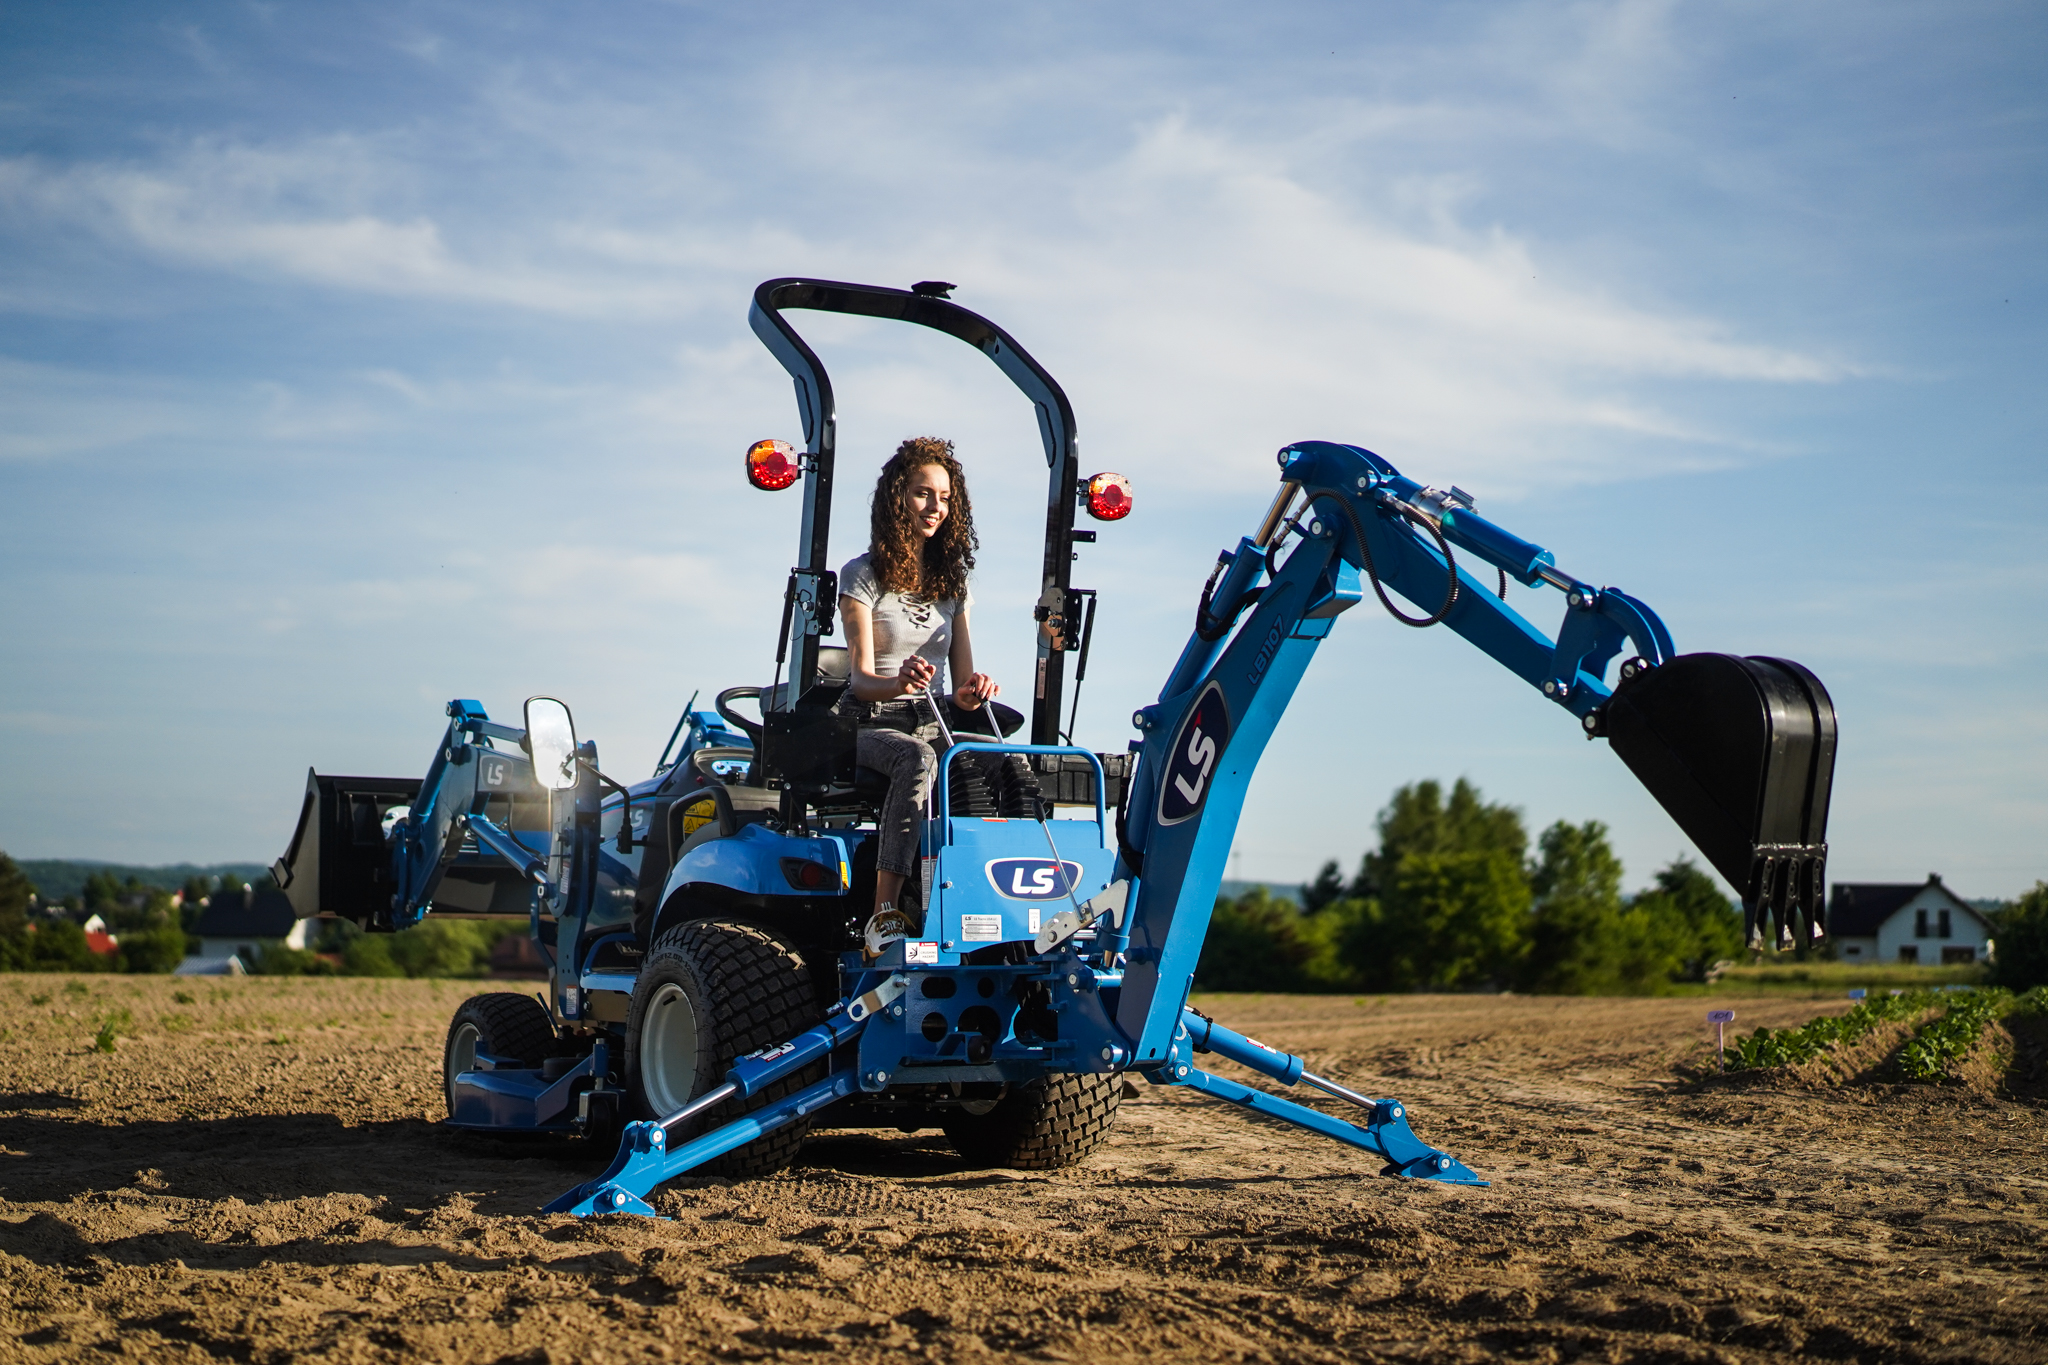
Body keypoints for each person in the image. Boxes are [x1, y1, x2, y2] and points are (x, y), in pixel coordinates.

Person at [838, 436, 999, 957]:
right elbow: (861, 680)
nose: (936, 508)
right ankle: (884, 914)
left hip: (932, 717)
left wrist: (975, 692)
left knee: (1004, 761)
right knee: (918, 758)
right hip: (870, 719)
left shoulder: (955, 585)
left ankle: (997, 901)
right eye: (923, 494)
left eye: (946, 498)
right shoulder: (862, 576)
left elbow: (962, 690)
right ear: (896, 498)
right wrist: (899, 682)